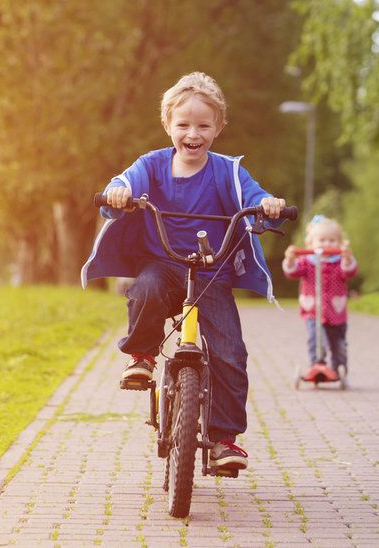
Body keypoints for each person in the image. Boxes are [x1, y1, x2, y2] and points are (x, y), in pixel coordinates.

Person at [80, 72, 288, 471]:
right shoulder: (152, 166)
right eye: (184, 124)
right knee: (146, 287)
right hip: (164, 264)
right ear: (167, 125)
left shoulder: (227, 171)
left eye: (203, 125)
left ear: (219, 128)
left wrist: (268, 204)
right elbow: (123, 182)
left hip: (213, 275)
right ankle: (141, 355)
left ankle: (223, 439)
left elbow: (254, 196)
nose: (193, 133)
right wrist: (119, 193)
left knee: (230, 353)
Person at [282, 215, 358, 374]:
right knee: (316, 339)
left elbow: (349, 271)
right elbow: (292, 272)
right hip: (313, 311)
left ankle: (338, 368)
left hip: (335, 313)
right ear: (310, 243)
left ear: (340, 243)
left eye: (332, 240)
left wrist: (347, 257)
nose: (327, 244)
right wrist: (290, 260)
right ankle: (318, 365)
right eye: (322, 240)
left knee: (339, 345)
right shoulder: (306, 261)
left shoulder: (339, 262)